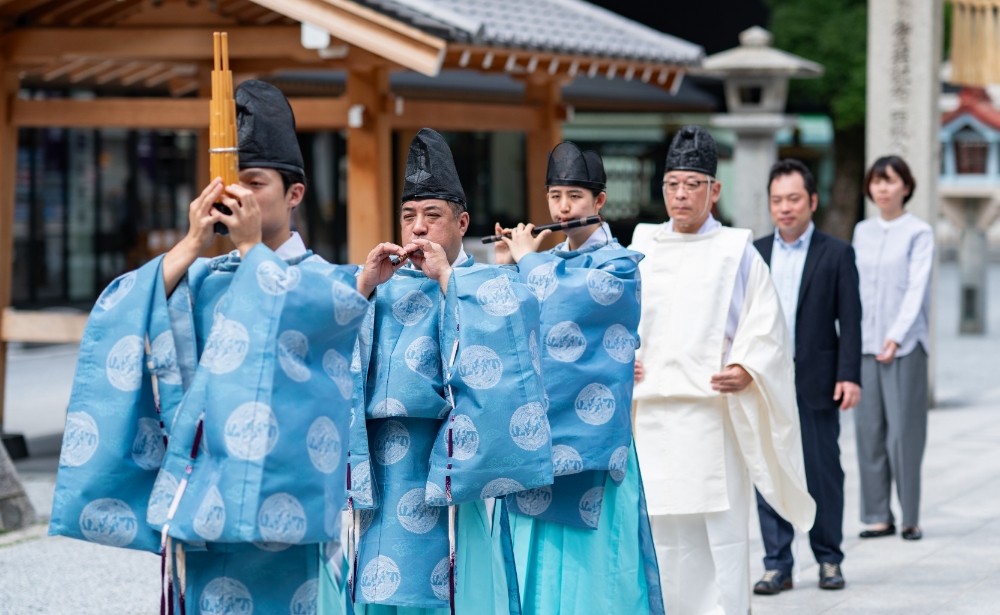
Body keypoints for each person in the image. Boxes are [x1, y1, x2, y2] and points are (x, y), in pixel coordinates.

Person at [49, 80, 366, 613]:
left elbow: (318, 331)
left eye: (254, 183)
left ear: (295, 194)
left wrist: (249, 250)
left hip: (278, 510)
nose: (235, 195)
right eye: (228, 183)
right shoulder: (200, 277)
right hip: (202, 498)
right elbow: (120, 311)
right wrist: (192, 243)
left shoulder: (326, 282)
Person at [321, 128, 552, 614]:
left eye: (433, 216)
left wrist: (449, 281)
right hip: (380, 465)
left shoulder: (486, 283)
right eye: (409, 217)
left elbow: (509, 355)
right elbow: (322, 346)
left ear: (462, 222)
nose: (419, 229)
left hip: (446, 463)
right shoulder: (376, 281)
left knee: (450, 586)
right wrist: (361, 288)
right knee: (376, 580)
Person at [630, 125, 815, 615]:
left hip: (711, 414)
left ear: (714, 191)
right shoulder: (641, 246)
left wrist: (748, 366)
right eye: (672, 184)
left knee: (720, 535)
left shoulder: (737, 250)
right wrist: (620, 355)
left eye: (693, 184)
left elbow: (765, 323)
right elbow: (620, 317)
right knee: (659, 530)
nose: (681, 195)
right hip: (649, 415)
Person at [493, 141, 663, 614]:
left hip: (592, 444)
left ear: (599, 202)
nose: (563, 208)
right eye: (554, 197)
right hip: (537, 443)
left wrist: (528, 262)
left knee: (596, 576)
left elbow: (575, 300)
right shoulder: (541, 263)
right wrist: (511, 267)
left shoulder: (620, 265)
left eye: (575, 197)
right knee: (537, 563)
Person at [751, 159, 862, 595]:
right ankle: (777, 564)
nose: (785, 208)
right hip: (767, 383)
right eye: (777, 200)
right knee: (770, 472)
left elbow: (851, 321)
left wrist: (849, 375)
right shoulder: (754, 252)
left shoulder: (836, 253)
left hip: (817, 380)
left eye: (794, 199)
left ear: (812, 201)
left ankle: (829, 559)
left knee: (822, 473)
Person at [852, 155, 933, 542]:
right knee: (868, 431)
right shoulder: (862, 231)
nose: (882, 188)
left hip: (905, 347)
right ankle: (877, 515)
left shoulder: (919, 232)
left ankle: (910, 517)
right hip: (866, 345)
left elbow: (917, 289)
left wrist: (897, 335)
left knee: (904, 433)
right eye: (876, 181)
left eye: (891, 181)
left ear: (906, 186)